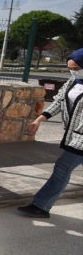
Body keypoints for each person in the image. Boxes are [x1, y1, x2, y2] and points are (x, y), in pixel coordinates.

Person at [17, 48, 83, 218]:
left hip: (80, 139)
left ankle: (41, 205)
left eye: (76, 68)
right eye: (71, 68)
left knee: (62, 167)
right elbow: (59, 102)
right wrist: (39, 120)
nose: (73, 72)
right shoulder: (73, 82)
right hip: (74, 136)